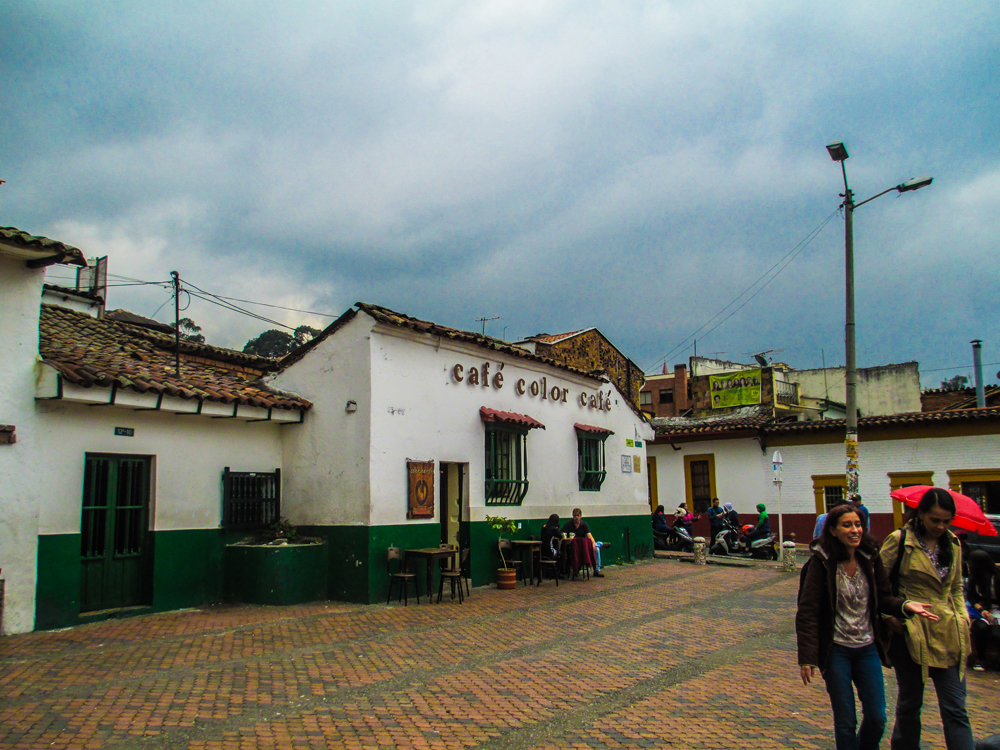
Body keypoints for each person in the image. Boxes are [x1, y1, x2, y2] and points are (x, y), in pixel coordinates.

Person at [797, 504, 937, 750]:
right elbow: (808, 611)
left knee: (877, 717)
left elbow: (883, 597)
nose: (855, 530)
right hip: (836, 650)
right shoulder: (822, 562)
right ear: (833, 530)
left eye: (858, 524)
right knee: (846, 721)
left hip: (867, 648)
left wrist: (905, 605)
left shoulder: (870, 557)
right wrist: (807, 657)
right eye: (847, 525)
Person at [880, 487, 974, 749]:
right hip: (911, 632)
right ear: (920, 514)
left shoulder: (953, 544)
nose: (941, 527)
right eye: (935, 520)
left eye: (947, 521)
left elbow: (956, 587)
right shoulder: (899, 540)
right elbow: (878, 584)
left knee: (956, 708)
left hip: (948, 632)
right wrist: (888, 616)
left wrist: (963, 619)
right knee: (910, 704)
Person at [966, 549, 1000, 671]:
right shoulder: (974, 579)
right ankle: (980, 659)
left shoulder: (996, 578)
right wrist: (981, 609)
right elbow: (971, 597)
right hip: (981, 612)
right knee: (980, 628)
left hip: (997, 611)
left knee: (997, 634)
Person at [562, 508, 604, 577]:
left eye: (577, 515)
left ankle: (597, 570)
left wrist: (593, 543)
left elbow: (589, 535)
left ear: (580, 516)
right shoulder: (568, 524)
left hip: (584, 547)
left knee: (596, 549)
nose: (576, 517)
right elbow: (562, 533)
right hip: (573, 547)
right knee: (597, 545)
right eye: (575, 516)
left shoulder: (583, 525)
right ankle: (601, 544)